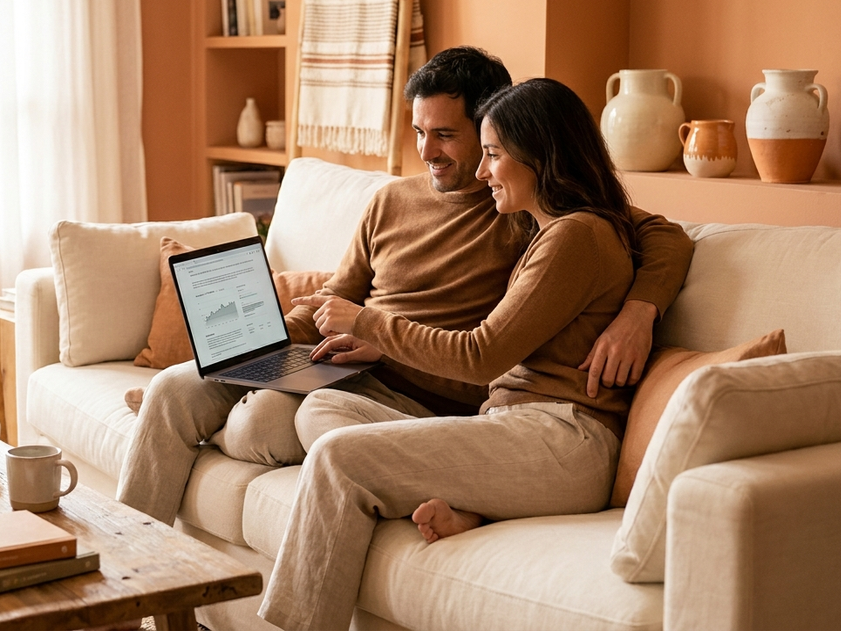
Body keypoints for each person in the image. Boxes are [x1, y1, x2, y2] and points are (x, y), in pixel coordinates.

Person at [115, 47, 693, 527]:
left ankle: (223, 423)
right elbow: (336, 300)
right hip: (339, 364)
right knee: (174, 388)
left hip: (421, 393)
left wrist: (638, 310)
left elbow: (662, 234)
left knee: (261, 423)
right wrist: (266, 345)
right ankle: (128, 585)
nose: (427, 152)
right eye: (419, 132)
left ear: (499, 129)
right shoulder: (391, 200)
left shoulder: (524, 207)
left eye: (446, 135)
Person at [260, 77, 645, 631]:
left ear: (540, 156)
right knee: (326, 415)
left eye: (492, 154)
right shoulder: (548, 229)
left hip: (564, 439)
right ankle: (473, 507)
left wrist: (370, 322)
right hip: (517, 426)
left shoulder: (574, 238)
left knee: (339, 458)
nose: (482, 172)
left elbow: (480, 355)